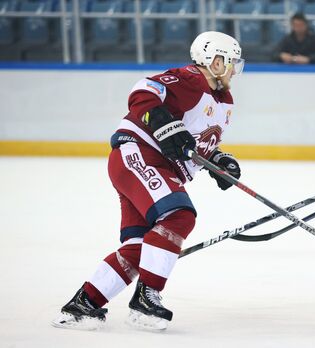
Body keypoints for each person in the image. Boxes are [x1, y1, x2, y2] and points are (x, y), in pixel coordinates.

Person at [51, 31, 245, 331]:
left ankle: (83, 305)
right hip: (139, 156)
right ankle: (146, 299)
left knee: (141, 247)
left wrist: (217, 160)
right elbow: (144, 92)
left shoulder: (224, 100)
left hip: (155, 166)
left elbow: (194, 141)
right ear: (214, 61)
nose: (235, 69)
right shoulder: (190, 78)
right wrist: (160, 121)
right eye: (231, 62)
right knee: (178, 216)